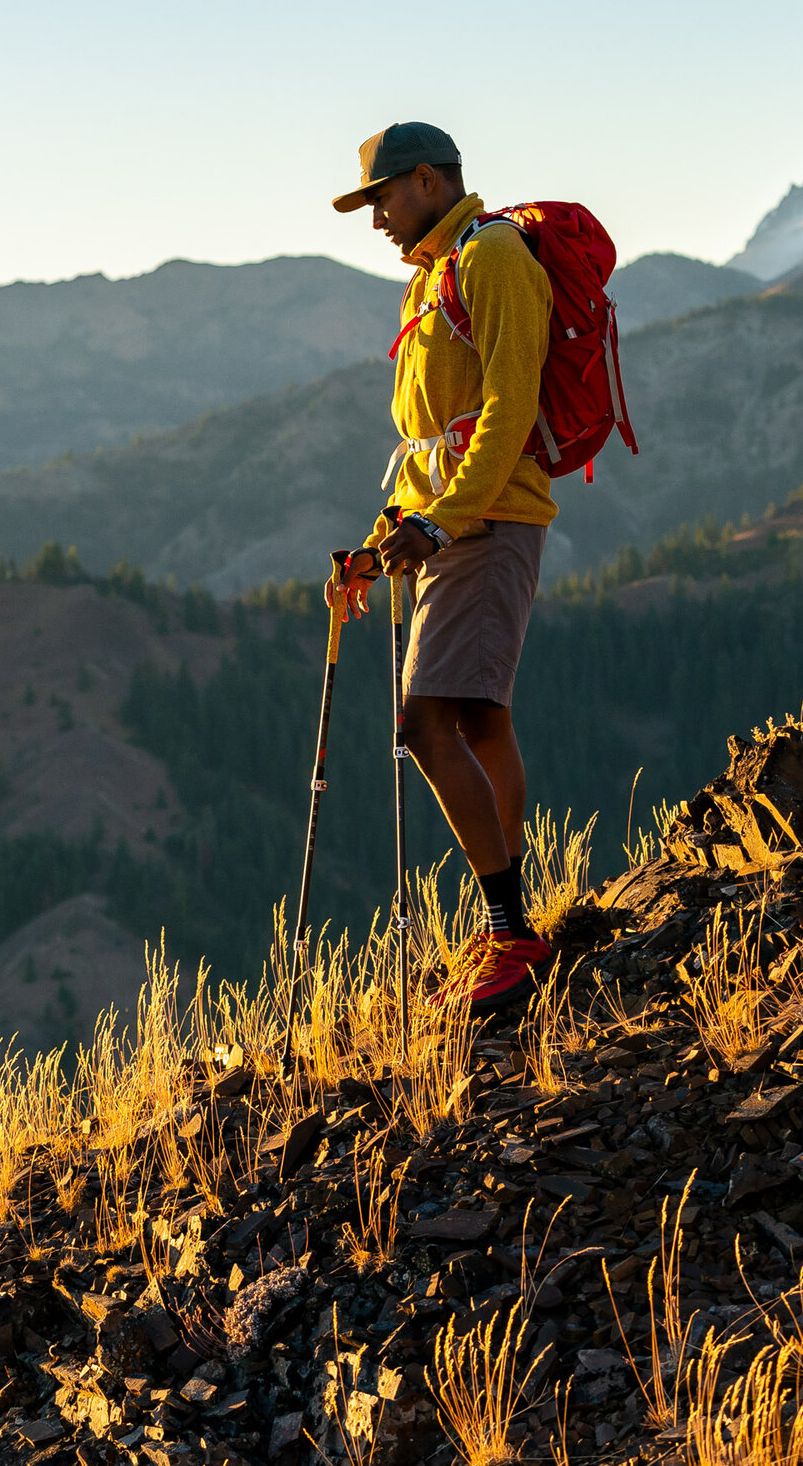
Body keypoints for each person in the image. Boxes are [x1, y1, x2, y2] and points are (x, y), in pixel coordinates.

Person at [327, 122, 556, 1014]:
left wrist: (443, 522)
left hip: (488, 519)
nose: (375, 216)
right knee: (479, 720)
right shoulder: (432, 275)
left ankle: (511, 934)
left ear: (428, 179)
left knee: (426, 725)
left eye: (382, 196)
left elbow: (510, 405)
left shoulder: (490, 256)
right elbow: (429, 437)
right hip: (452, 517)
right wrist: (385, 532)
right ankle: (513, 922)